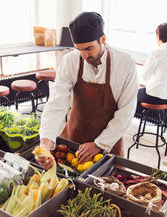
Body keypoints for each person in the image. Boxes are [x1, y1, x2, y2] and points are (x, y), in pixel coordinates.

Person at [37, 12, 139, 170]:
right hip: (75, 135)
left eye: (89, 48)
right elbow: (57, 102)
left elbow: (127, 110)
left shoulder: (125, 63)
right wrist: (46, 141)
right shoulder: (70, 61)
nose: (84, 56)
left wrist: (99, 144)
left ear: (103, 39)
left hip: (109, 140)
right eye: (79, 50)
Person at [137, 23, 167, 110]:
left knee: (130, 96)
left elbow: (145, 77)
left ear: (158, 35)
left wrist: (145, 65)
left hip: (155, 96)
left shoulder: (156, 52)